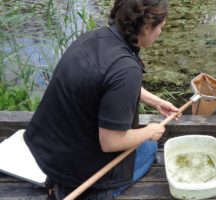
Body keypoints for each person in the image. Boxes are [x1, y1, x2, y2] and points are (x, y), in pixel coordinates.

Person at [23, 0, 179, 199]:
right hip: (80, 172)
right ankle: (98, 193)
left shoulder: (95, 37)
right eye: (160, 28)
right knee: (149, 148)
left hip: (49, 153)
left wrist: (155, 102)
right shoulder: (127, 69)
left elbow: (106, 84)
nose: (160, 33)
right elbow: (111, 142)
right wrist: (149, 131)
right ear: (147, 27)